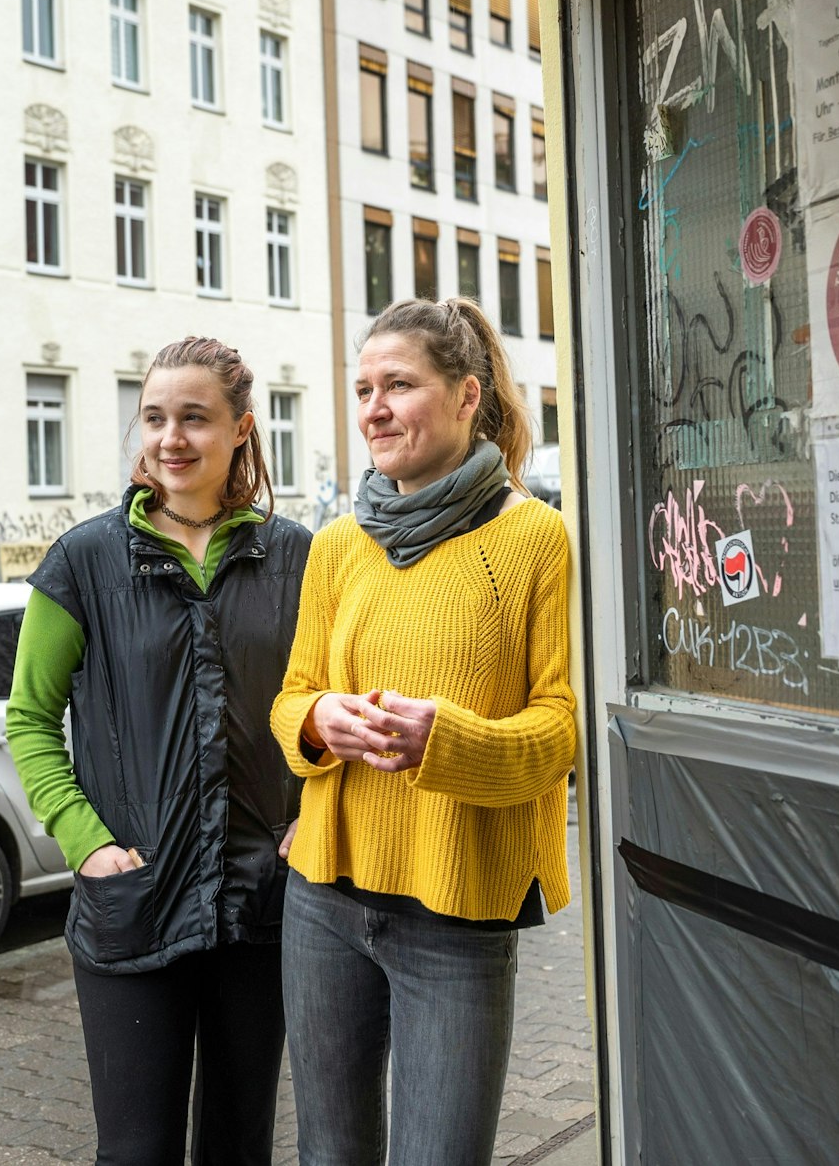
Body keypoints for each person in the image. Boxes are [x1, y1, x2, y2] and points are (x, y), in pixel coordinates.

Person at [270, 297, 576, 1166]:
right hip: (323, 898)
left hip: (458, 912)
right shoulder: (336, 546)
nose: (374, 406)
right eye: (364, 387)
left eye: (398, 384)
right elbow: (292, 697)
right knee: (330, 1154)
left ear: (466, 394)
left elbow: (560, 729)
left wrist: (450, 741)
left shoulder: (535, 540)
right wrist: (321, 722)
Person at [4, 336, 311, 1166]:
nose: (171, 437)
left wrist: (313, 817)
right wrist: (87, 843)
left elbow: (327, 707)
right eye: (154, 417)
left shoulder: (298, 560)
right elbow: (29, 719)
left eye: (195, 418)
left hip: (261, 906)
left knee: (240, 1147)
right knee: (136, 1153)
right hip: (132, 903)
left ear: (242, 429)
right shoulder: (84, 561)